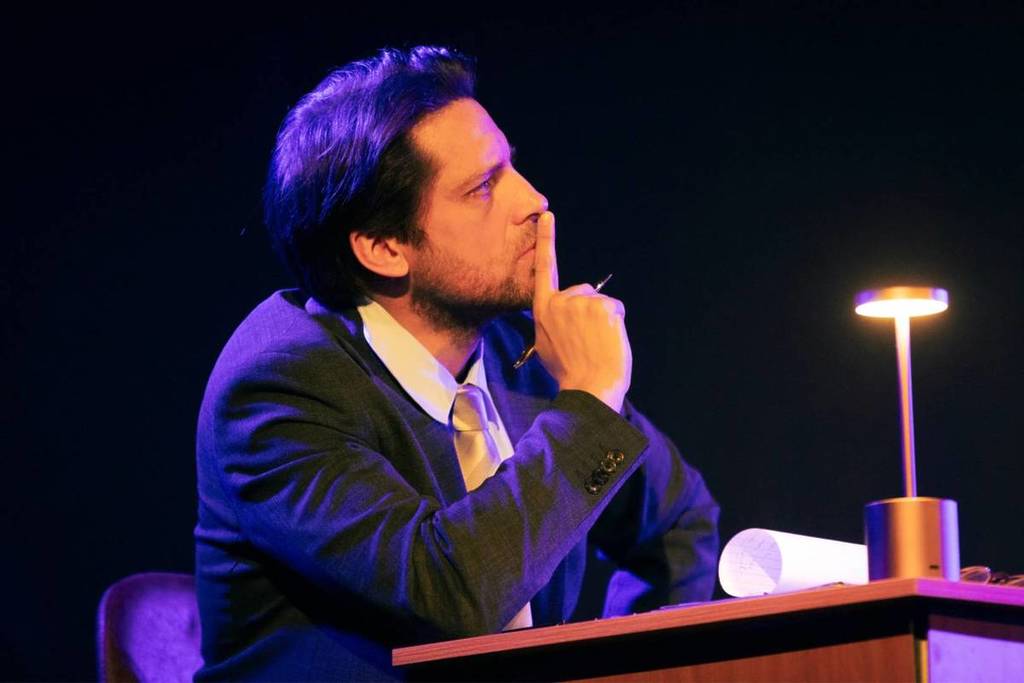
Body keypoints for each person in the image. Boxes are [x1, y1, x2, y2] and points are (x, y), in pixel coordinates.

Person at [194, 46, 719, 681]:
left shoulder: (518, 356)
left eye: (512, 167)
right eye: (482, 188)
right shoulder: (281, 387)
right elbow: (449, 595)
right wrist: (588, 404)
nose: (535, 200)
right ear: (385, 246)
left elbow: (679, 521)